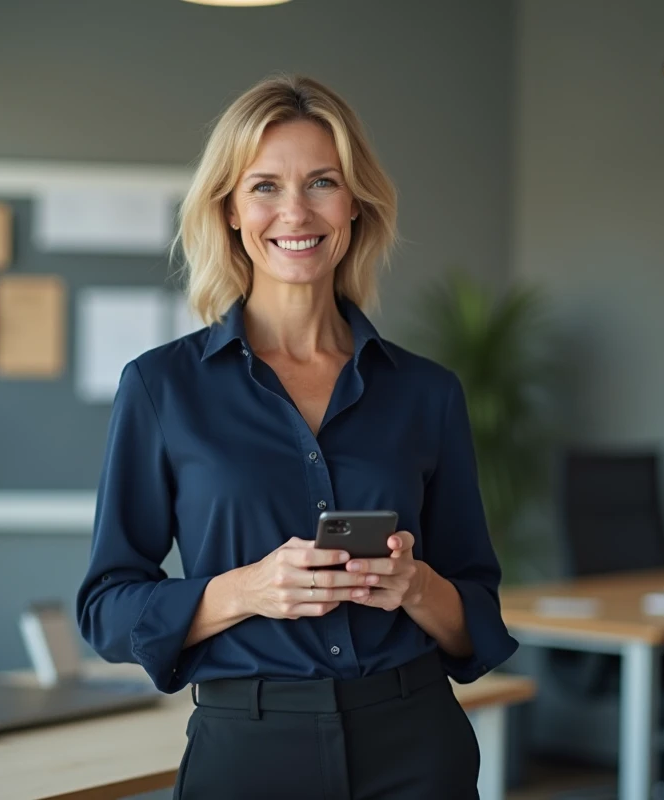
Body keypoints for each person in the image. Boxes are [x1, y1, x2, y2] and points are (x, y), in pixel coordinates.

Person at [77, 74, 518, 800]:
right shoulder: (162, 388)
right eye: (265, 187)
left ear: (354, 205)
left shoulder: (427, 393)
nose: (295, 211)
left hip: (416, 747)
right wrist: (247, 590)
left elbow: (478, 618)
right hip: (249, 753)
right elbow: (106, 606)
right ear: (228, 209)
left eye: (321, 183)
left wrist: (415, 585)